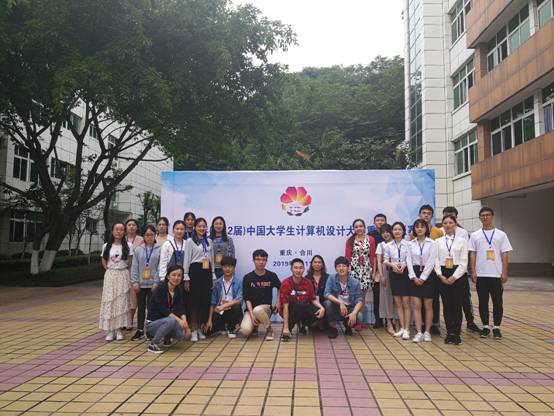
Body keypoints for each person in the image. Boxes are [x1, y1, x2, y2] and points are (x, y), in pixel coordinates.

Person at [469, 207, 512, 340]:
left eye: (488, 215)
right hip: (481, 274)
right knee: (483, 302)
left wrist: (504, 272)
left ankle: (497, 327)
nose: (485, 217)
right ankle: (486, 326)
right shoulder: (475, 235)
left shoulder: (501, 235)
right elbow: (472, 253)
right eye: (482, 215)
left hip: (496, 274)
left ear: (492, 216)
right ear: (480, 218)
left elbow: (504, 254)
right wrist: (473, 271)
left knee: (497, 302)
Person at [441, 206, 480, 333]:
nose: (448, 223)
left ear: (456, 218)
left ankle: (470, 321)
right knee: (447, 301)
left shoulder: (463, 232)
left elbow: (467, 252)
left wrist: (469, 269)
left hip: (460, 270)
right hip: (444, 271)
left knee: (464, 298)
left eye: (452, 217)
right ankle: (448, 327)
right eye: (446, 217)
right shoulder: (439, 231)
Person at [435, 214, 468, 345]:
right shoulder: (438, 241)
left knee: (457, 305)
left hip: (458, 275)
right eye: (445, 223)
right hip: (443, 274)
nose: (448, 225)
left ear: (455, 224)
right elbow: (435, 260)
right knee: (447, 305)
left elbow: (464, 262)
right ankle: (449, 333)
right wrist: (440, 275)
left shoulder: (462, 241)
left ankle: (457, 334)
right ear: (442, 225)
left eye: (450, 223)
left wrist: (454, 277)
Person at [182, 217, 216, 342]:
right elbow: (186, 259)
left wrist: (213, 276)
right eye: (199, 226)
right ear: (195, 228)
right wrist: (186, 277)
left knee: (204, 301)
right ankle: (194, 329)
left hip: (206, 272)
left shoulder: (209, 241)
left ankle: (200, 328)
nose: (202, 228)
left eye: (204, 226)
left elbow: (211, 260)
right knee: (194, 302)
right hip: (195, 271)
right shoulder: (190, 241)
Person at [145, 265, 191, 353]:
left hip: (166, 320)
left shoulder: (178, 289)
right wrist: (179, 321)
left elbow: (180, 307)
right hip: (152, 324)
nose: (176, 278)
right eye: (174, 275)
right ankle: (153, 345)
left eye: (179, 275)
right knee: (171, 321)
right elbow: (163, 310)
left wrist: (185, 324)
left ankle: (167, 337)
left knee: (185, 336)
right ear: (168, 276)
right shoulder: (161, 288)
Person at [99, 223, 133, 341]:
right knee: (110, 301)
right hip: (110, 275)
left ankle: (119, 330)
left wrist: (121, 271)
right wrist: (111, 271)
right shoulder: (106, 246)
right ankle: (110, 330)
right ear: (112, 231)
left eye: (121, 229)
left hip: (123, 275)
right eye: (116, 229)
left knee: (121, 302)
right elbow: (104, 262)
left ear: (124, 232)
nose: (119, 232)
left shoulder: (128, 246)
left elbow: (129, 262)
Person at [407, 219, 438, 342]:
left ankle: (427, 332)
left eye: (422, 226)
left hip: (428, 275)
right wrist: (413, 277)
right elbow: (408, 261)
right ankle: (419, 332)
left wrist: (423, 277)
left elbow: (432, 261)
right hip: (414, 274)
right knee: (416, 305)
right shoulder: (410, 244)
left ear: (426, 228)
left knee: (428, 305)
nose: (419, 229)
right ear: (414, 229)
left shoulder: (432, 243)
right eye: (417, 227)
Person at [279, 258, 325, 341]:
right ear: (291, 269)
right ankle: (289, 329)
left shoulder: (307, 282)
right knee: (299, 305)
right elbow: (285, 306)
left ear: (304, 269)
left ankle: (303, 324)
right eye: (295, 268)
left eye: (301, 268)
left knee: (318, 311)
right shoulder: (286, 283)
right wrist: (285, 327)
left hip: (302, 308)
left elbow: (313, 299)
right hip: (290, 310)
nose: (298, 270)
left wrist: (322, 308)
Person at [239, 249, 281, 340]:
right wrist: (251, 315)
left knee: (257, 310)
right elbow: (247, 298)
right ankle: (254, 326)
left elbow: (280, 287)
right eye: (258, 259)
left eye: (263, 260)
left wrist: (278, 302)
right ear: (253, 260)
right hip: (251, 310)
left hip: (266, 309)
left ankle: (269, 330)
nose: (261, 262)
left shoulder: (272, 275)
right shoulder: (247, 278)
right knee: (245, 331)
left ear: (266, 261)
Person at [130, 225, 161, 341]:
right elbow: (134, 267)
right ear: (143, 236)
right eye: (147, 235)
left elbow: (160, 267)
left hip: (153, 285)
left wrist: (156, 282)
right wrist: (135, 282)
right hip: (140, 284)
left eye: (151, 234)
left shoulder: (160, 249)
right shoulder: (138, 250)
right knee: (141, 308)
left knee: (151, 308)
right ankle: (140, 330)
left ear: (155, 235)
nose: (149, 237)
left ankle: (150, 330)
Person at [416, 205, 443, 335]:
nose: (426, 215)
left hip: (434, 270)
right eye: (423, 213)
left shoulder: (438, 232)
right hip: (419, 270)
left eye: (428, 213)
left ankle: (435, 324)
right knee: (421, 298)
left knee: (434, 298)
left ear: (432, 216)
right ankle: (422, 323)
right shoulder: (415, 232)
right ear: (420, 215)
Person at [345, 218, 376, 330]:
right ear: (354, 228)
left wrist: (373, 272)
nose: (359, 228)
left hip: (366, 271)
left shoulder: (371, 239)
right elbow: (347, 257)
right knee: (353, 296)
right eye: (356, 227)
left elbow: (373, 256)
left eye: (361, 226)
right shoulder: (350, 240)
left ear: (364, 227)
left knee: (362, 297)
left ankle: (360, 321)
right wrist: (347, 273)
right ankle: (351, 319)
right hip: (353, 270)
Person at [383, 221, 411, 340]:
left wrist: (403, 265)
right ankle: (402, 328)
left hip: (405, 274)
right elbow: (385, 260)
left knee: (406, 303)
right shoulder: (388, 245)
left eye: (399, 229)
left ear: (403, 231)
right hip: (394, 274)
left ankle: (407, 329)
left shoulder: (408, 244)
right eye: (395, 229)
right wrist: (393, 265)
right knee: (398, 303)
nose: (397, 231)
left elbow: (410, 258)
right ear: (392, 232)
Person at [324, 256, 364, 338]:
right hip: (337, 307)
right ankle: (332, 328)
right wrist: (340, 302)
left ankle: (348, 326)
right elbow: (326, 293)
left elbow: (360, 300)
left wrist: (354, 313)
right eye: (339, 266)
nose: (341, 268)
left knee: (359, 316)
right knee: (327, 303)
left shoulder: (355, 282)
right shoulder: (331, 278)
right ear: (336, 269)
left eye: (344, 266)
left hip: (349, 308)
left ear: (348, 268)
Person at [205, 256, 243, 338]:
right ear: (222, 268)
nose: (227, 269)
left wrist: (224, 305)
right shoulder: (217, 283)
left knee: (237, 307)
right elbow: (213, 302)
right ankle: (222, 326)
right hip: (219, 311)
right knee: (207, 332)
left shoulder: (239, 282)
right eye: (225, 266)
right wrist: (209, 320)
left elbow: (239, 299)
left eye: (230, 266)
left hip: (232, 309)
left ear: (234, 268)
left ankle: (231, 328)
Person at [375, 224, 398, 335]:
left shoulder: (398, 243)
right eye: (383, 232)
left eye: (387, 231)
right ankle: (389, 322)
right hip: (386, 271)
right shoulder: (380, 245)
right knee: (386, 298)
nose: (385, 234)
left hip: (399, 272)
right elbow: (379, 261)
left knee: (398, 298)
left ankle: (398, 322)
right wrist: (381, 275)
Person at [125, 218, 143, 329]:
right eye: (129, 225)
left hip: (136, 271)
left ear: (137, 227)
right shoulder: (121, 239)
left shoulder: (141, 239)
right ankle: (122, 320)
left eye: (133, 225)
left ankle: (130, 320)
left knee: (133, 298)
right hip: (123, 271)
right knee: (123, 297)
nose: (131, 227)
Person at [369, 214, 387, 329]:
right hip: (375, 269)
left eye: (382, 220)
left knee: (388, 296)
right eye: (378, 220)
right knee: (377, 295)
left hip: (389, 268)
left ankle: (390, 319)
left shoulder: (390, 233)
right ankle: (378, 319)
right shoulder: (370, 236)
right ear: (374, 222)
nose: (380, 222)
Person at [305, 255, 329, 331]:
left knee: (328, 304)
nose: (317, 264)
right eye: (315, 262)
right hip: (312, 303)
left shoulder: (328, 277)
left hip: (324, 302)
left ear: (322, 264)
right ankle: (313, 323)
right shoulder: (307, 278)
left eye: (319, 262)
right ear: (312, 264)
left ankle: (327, 324)